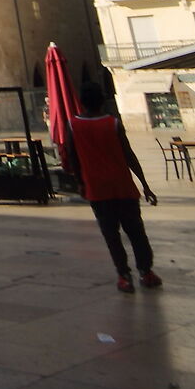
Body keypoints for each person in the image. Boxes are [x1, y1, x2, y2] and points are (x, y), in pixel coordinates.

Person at [61, 82, 162, 292]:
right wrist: (144, 184)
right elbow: (129, 155)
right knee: (136, 232)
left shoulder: (72, 125)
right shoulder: (113, 123)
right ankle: (146, 272)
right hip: (123, 187)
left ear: (82, 103)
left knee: (111, 235)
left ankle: (123, 275)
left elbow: (72, 156)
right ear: (102, 101)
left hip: (97, 190)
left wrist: (80, 182)